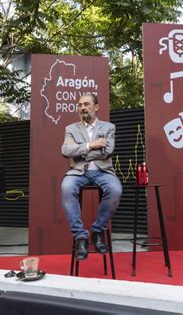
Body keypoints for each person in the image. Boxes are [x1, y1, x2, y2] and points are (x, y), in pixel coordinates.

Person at [61, 94, 122, 261]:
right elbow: (65, 151)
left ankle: (98, 231)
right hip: (78, 172)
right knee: (67, 187)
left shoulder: (108, 127)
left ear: (96, 107)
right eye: (80, 105)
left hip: (103, 171)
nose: (82, 108)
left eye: (86, 104)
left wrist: (80, 151)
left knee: (115, 189)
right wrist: (91, 145)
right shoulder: (71, 129)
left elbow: (108, 151)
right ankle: (80, 237)